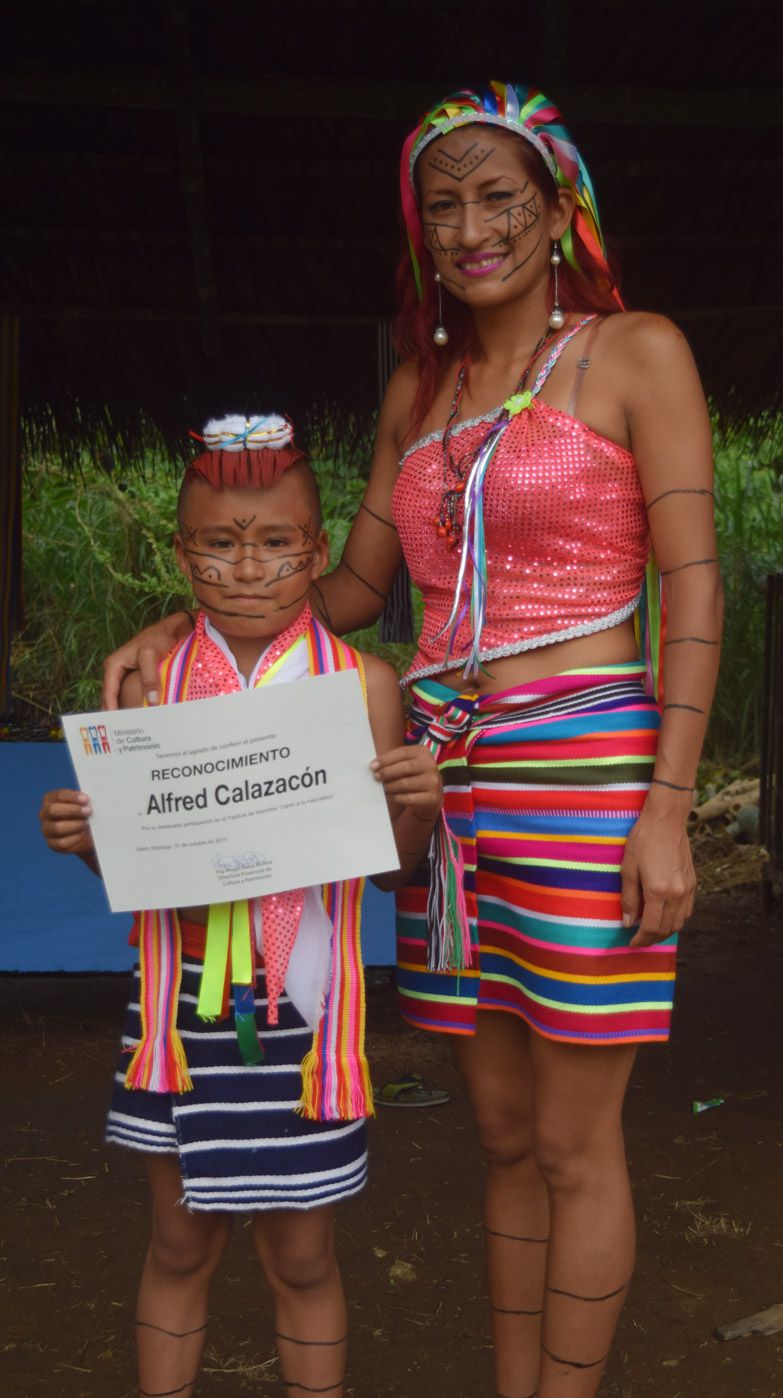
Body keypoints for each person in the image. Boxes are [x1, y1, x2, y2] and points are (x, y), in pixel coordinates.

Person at [101, 83, 723, 1398]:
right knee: (495, 1132)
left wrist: (667, 802)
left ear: (558, 211)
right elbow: (351, 592)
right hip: (429, 780)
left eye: (499, 197)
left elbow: (693, 587)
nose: (469, 226)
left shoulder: (634, 353)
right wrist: (178, 619)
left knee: (571, 1138)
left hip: (582, 760)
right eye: (442, 204)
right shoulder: (418, 387)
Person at [39, 416, 443, 1398]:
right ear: (183, 554)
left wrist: (417, 815)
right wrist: (93, 843)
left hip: (304, 1020)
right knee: (178, 1244)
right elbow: (140, 878)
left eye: (273, 543)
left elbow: (391, 873)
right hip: (180, 1015)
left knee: (303, 1256)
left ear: (315, 548)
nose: (248, 568)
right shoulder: (147, 689)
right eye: (219, 544)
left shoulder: (365, 688)